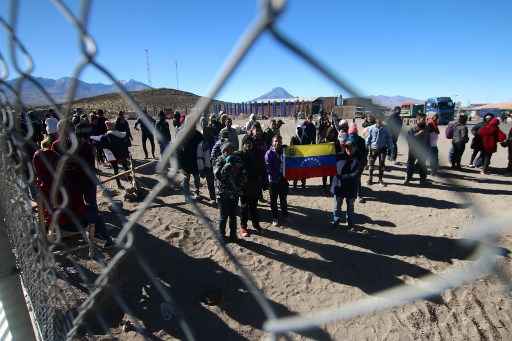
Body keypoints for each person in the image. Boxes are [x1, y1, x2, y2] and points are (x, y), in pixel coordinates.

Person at [214, 142, 246, 242]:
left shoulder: (237, 159)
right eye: (227, 150)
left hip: (234, 192)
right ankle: (222, 236)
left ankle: (233, 235)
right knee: (224, 216)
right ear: (223, 151)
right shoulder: (219, 160)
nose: (229, 151)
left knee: (233, 215)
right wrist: (226, 167)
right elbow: (217, 175)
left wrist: (240, 185)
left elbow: (243, 173)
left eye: (231, 149)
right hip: (222, 193)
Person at [330, 141, 360, 229]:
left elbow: (356, 174)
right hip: (338, 186)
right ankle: (336, 220)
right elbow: (328, 161)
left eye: (351, 147)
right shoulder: (338, 157)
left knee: (350, 206)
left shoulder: (358, 159)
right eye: (347, 147)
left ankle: (350, 222)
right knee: (337, 205)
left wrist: (342, 177)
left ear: (355, 148)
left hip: (351, 186)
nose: (348, 149)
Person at [237, 136, 263, 236]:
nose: (249, 144)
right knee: (244, 208)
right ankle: (243, 227)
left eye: (250, 142)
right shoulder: (239, 155)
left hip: (254, 185)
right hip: (244, 186)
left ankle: (256, 224)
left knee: (254, 207)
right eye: (246, 142)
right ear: (243, 144)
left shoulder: (255, 154)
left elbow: (260, 168)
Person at [96, 121, 131, 189]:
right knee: (125, 166)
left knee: (116, 170)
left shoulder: (105, 136)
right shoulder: (120, 134)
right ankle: (129, 178)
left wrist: (102, 157)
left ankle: (119, 184)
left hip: (112, 155)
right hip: (122, 154)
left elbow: (101, 147)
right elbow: (126, 143)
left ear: (108, 127)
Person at [265, 135, 288, 227]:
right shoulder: (269, 153)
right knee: (273, 201)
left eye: (279, 141)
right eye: (275, 141)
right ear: (272, 142)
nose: (277, 143)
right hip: (273, 181)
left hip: (283, 179)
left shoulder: (285, 151)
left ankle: (285, 214)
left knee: (283, 199)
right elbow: (268, 169)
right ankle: (275, 218)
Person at [178, 124, 203, 198]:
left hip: (196, 160)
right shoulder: (182, 134)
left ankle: (197, 192)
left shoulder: (198, 134)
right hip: (185, 160)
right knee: (186, 178)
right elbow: (178, 147)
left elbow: (203, 145)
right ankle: (187, 194)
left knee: (196, 177)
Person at [365, 117, 393, 186]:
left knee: (382, 164)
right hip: (373, 149)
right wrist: (367, 145)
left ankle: (380, 179)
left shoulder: (386, 129)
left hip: (383, 149)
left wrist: (390, 148)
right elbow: (369, 137)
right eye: (378, 119)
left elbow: (389, 139)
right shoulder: (371, 128)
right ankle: (370, 179)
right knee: (371, 164)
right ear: (376, 119)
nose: (379, 120)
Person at [404, 113, 430, 185]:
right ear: (418, 120)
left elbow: (428, 140)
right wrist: (418, 133)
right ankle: (408, 178)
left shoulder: (427, 128)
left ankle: (422, 179)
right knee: (410, 164)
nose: (425, 121)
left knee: (422, 165)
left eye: (425, 119)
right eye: (423, 119)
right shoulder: (412, 129)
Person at [348, 124, 368, 203]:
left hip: (359, 163)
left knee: (357, 178)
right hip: (351, 163)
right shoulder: (347, 140)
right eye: (351, 134)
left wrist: (362, 163)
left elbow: (364, 153)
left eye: (353, 134)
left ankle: (359, 194)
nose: (352, 136)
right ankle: (353, 192)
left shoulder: (361, 141)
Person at [197, 135, 216, 203]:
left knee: (217, 183)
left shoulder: (216, 141)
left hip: (216, 166)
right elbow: (200, 158)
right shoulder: (202, 144)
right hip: (208, 167)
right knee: (210, 183)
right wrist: (201, 169)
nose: (209, 134)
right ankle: (213, 198)